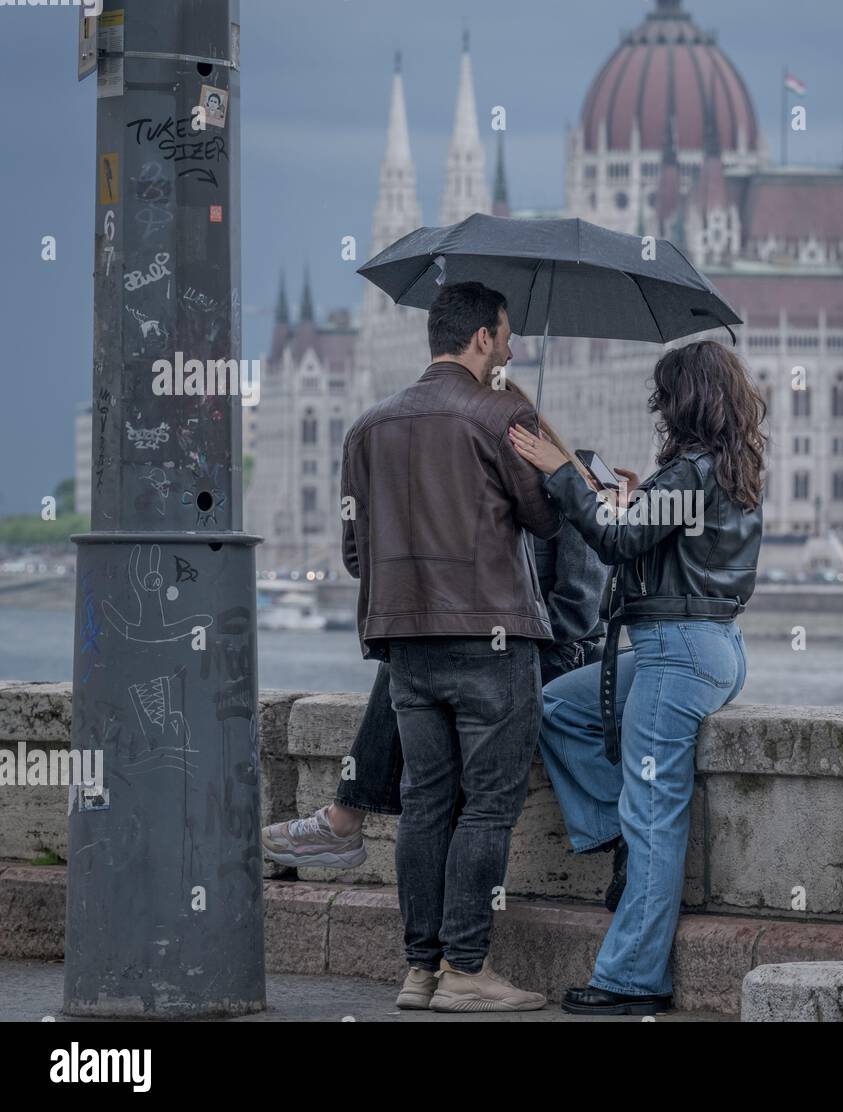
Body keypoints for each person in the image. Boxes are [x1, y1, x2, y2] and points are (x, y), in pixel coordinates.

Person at [261, 381, 606, 886]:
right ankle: (355, 828)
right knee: (412, 654)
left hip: (556, 653)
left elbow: (577, 612)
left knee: (420, 666)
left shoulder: (570, 483)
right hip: (491, 654)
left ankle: (346, 817)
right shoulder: (471, 501)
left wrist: (502, 636)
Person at [508, 339, 765, 1016]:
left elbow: (618, 544)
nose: (657, 407)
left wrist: (562, 474)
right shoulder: (726, 468)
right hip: (705, 648)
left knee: (656, 818)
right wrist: (627, 498)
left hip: (677, 652)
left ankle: (630, 980)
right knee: (556, 708)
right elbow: (658, 541)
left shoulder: (689, 474)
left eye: (663, 396)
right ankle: (610, 826)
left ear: (681, 400)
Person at [333, 280, 564, 1013]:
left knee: (425, 803)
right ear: (482, 340)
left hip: (406, 646)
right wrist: (555, 454)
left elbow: (353, 552)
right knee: (488, 808)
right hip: (492, 643)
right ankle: (466, 970)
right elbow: (547, 518)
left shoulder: (368, 428)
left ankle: (418, 971)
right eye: (506, 334)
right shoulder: (501, 413)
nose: (512, 346)